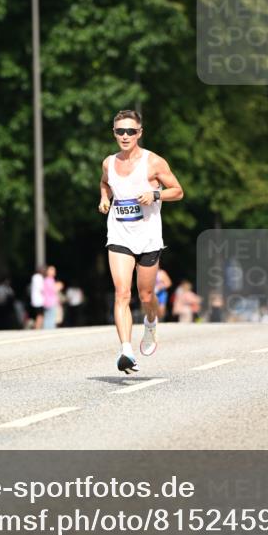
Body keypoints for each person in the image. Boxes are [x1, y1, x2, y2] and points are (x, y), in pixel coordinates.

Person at [99, 109, 184, 373]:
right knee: (122, 292)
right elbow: (105, 183)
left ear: (139, 133)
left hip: (147, 237)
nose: (125, 136)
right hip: (119, 235)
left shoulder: (154, 162)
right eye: (120, 131)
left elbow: (178, 191)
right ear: (114, 133)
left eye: (130, 131)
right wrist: (104, 198)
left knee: (146, 295)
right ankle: (126, 351)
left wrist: (155, 195)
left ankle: (150, 323)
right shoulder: (108, 163)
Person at [42, 265, 63, 330]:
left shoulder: (50, 280)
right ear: (47, 272)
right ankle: (48, 331)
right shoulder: (48, 280)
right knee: (50, 318)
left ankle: (49, 330)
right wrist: (59, 286)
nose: (54, 271)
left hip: (51, 301)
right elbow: (53, 290)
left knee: (50, 317)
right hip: (50, 302)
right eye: (52, 270)